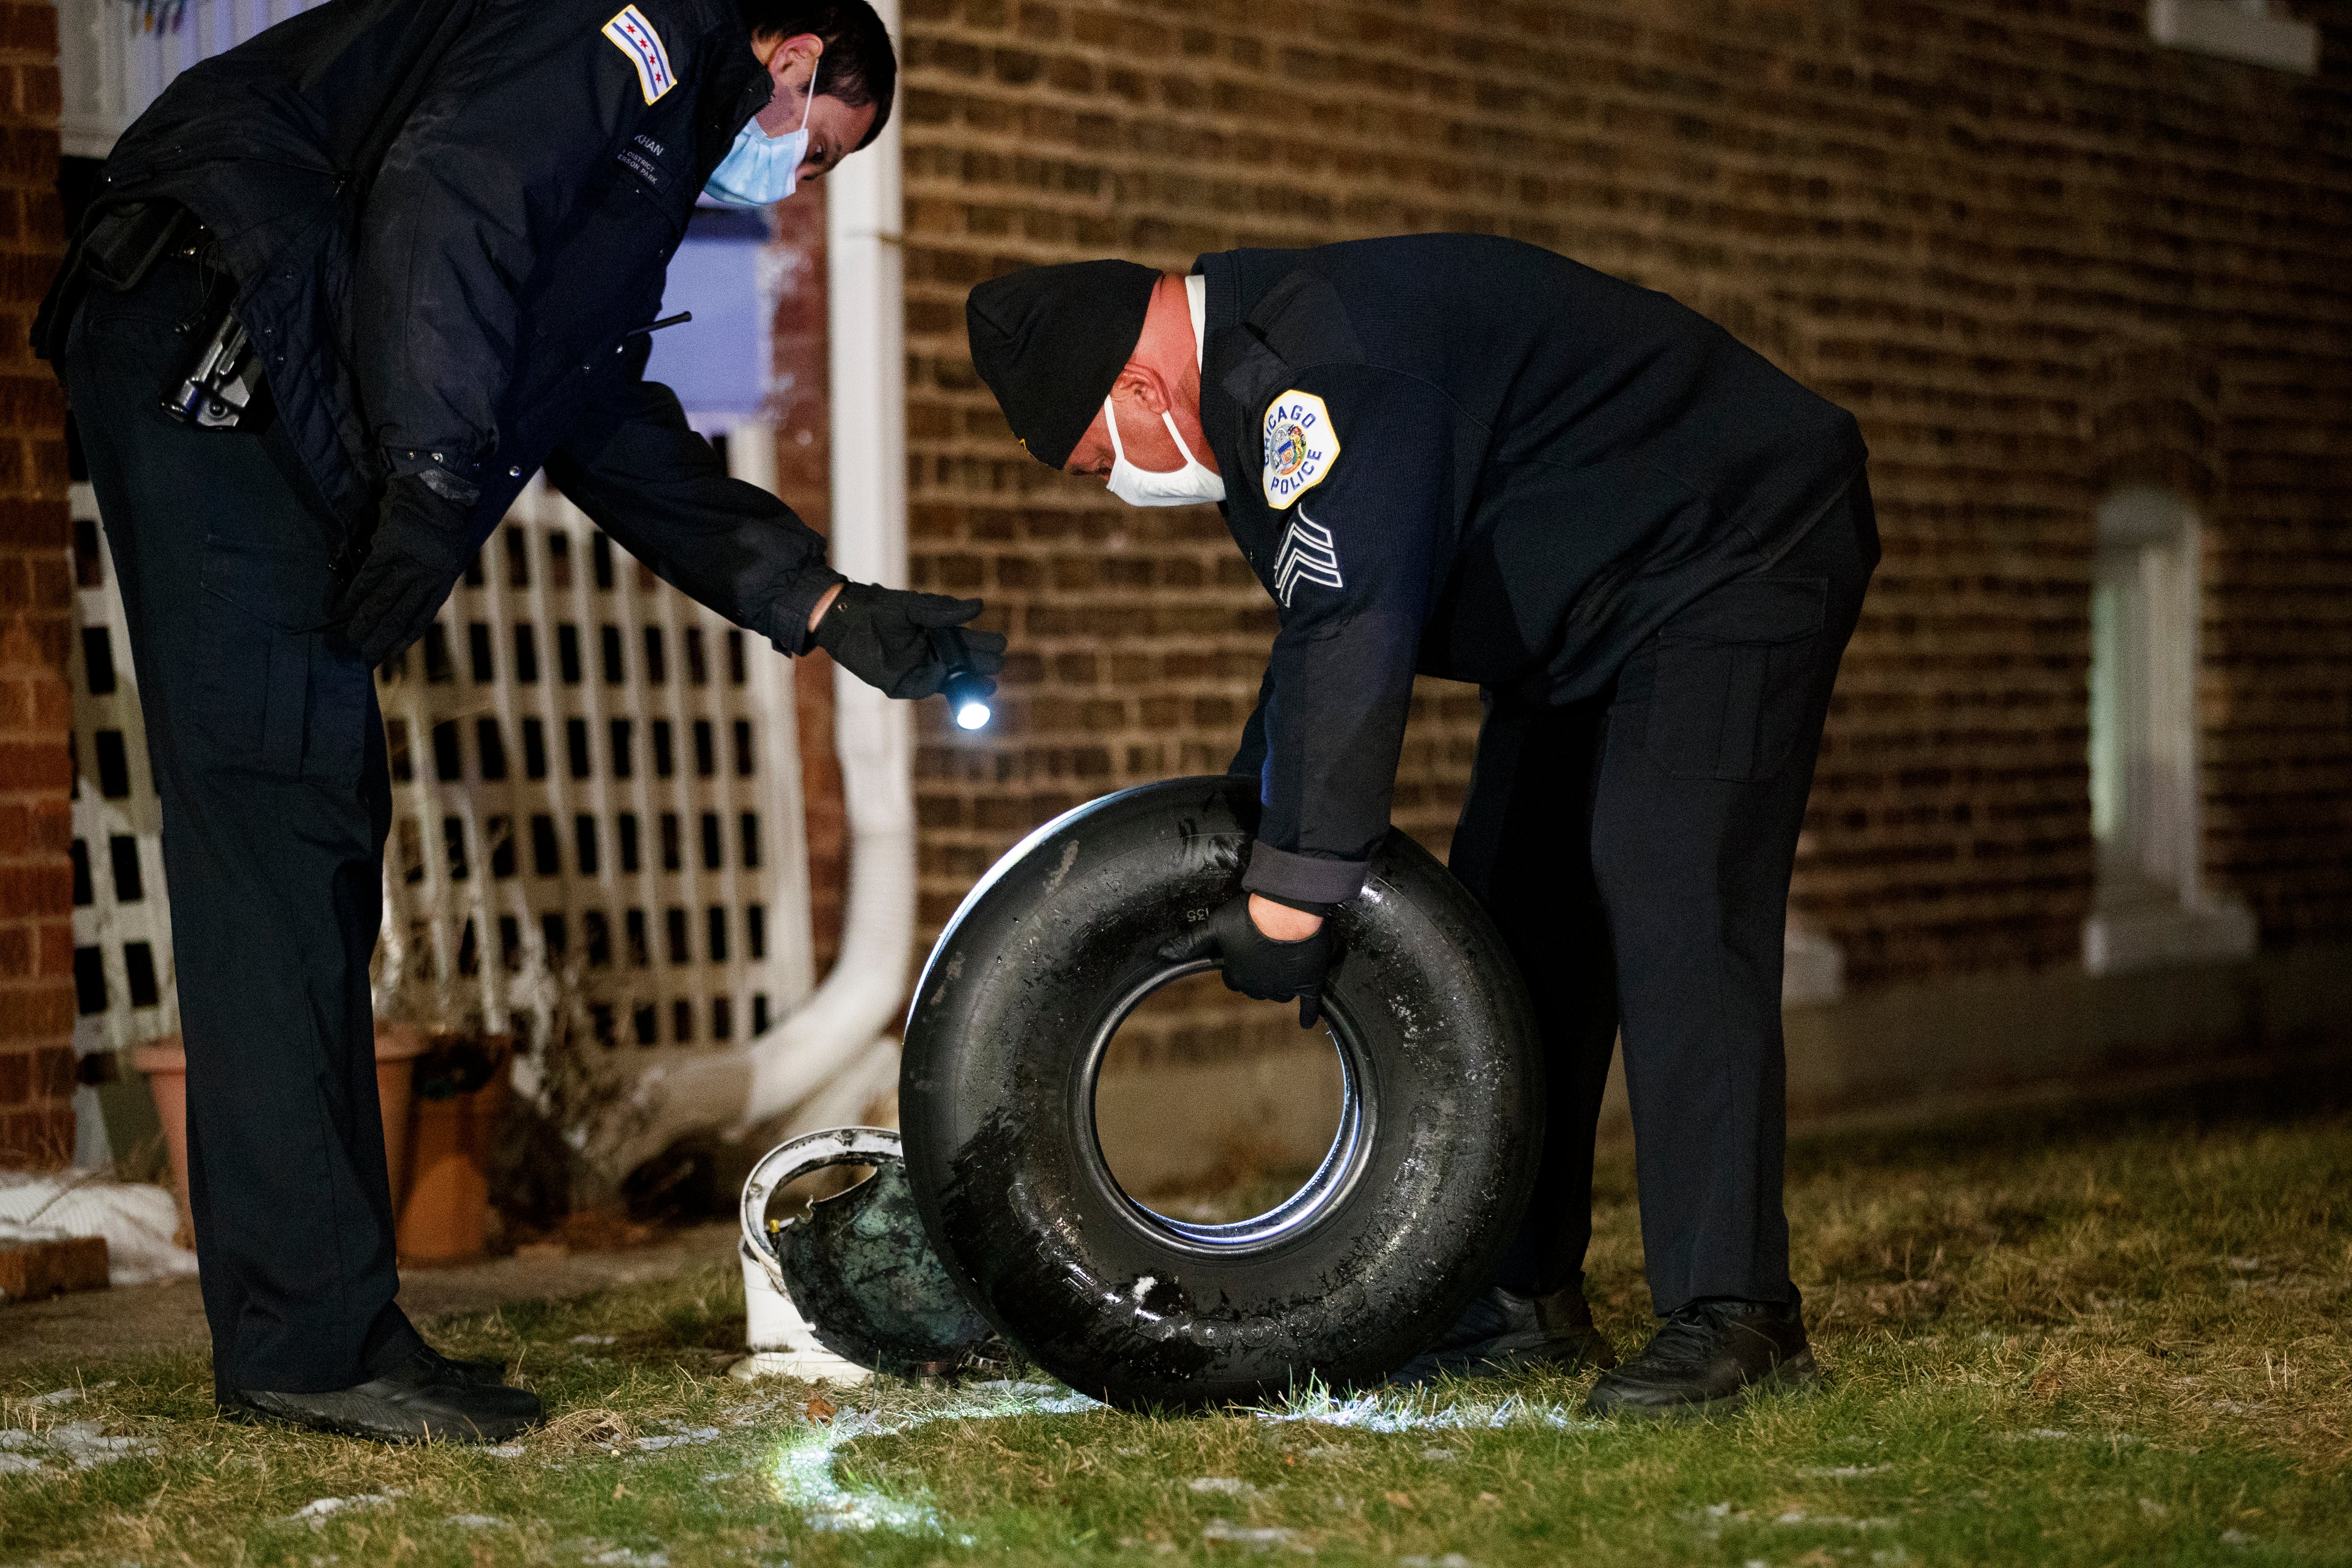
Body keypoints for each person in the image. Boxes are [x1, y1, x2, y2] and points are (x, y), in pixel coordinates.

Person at [34, 0, 1000, 1444]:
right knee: (285, 822)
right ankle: (313, 1344)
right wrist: (427, 473)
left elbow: (595, 413)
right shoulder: (640, 39)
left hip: (244, 349)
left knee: (300, 830)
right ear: (795, 59)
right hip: (211, 325)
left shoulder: (636, 172)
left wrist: (822, 603)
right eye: (814, 156)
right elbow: (450, 188)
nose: (793, 191)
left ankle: (313, 1326)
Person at [965, 236, 1876, 1417]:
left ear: (1137, 389)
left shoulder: (1319, 365)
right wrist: (1249, 830)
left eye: (1098, 467)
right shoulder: (1260, 375)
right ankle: (1519, 1295)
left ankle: (1739, 1318)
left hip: (1734, 549)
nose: (1122, 490)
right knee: (1515, 918)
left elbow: (1358, 624)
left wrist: (1296, 889)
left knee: (1672, 890)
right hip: (1594, 611)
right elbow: (1315, 627)